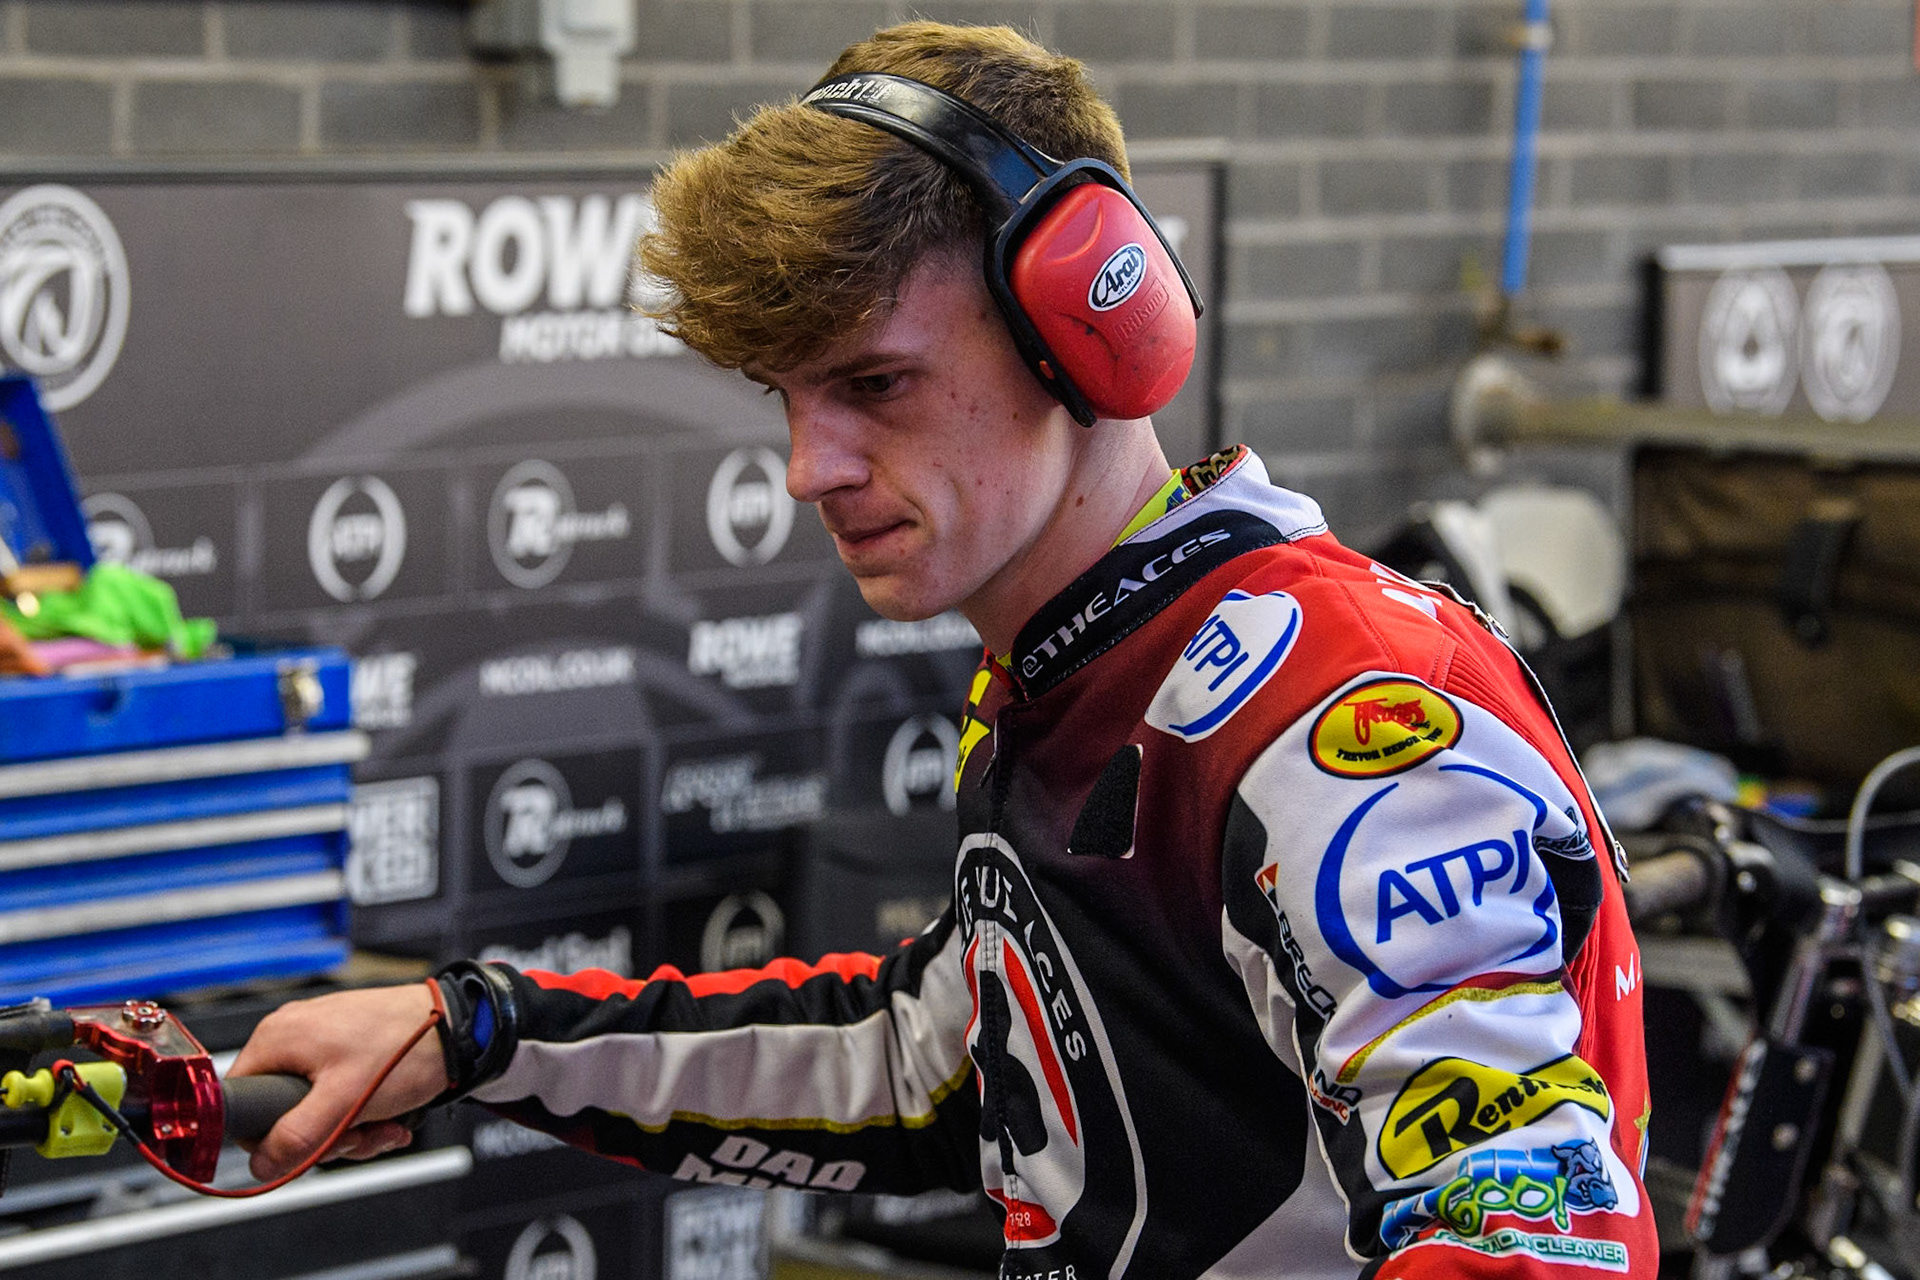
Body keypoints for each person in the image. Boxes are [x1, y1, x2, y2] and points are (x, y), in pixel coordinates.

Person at [234, 21, 1657, 1278]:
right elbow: (950, 1071)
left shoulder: (1337, 715)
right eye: (783, 396)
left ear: (1093, 329)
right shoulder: (1090, 671)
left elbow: (1524, 1244)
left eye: (872, 384)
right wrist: (469, 1035)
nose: (809, 467)